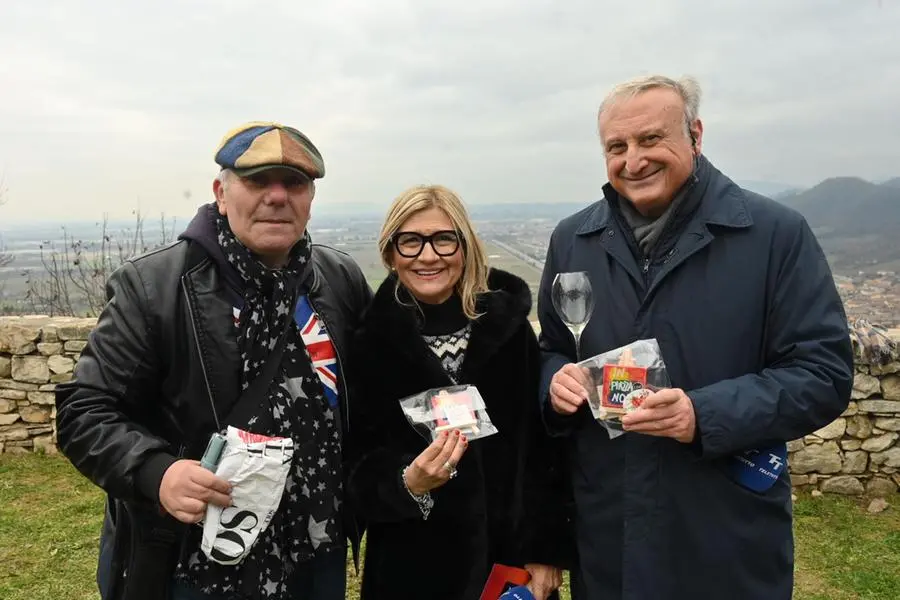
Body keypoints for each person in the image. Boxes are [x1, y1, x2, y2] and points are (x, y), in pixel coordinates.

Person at [538, 75, 854, 599]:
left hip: (722, 531)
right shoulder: (573, 239)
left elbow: (823, 374)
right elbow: (550, 349)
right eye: (616, 147)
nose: (632, 160)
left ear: (695, 135)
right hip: (608, 531)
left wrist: (701, 415)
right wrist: (554, 383)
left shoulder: (774, 235)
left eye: (650, 140)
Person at [55, 121, 372, 600]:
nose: (277, 196)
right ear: (221, 193)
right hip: (197, 563)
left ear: (310, 198)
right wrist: (157, 472)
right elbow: (83, 410)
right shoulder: (155, 287)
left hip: (315, 553)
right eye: (258, 180)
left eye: (295, 183)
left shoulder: (338, 279)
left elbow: (373, 389)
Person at [344, 185, 572, 600]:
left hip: (508, 570)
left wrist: (545, 547)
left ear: (464, 246)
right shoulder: (368, 344)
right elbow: (355, 465)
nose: (428, 256)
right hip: (411, 571)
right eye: (410, 241)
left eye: (443, 239)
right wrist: (407, 481)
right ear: (390, 253)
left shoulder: (509, 330)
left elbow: (542, 448)